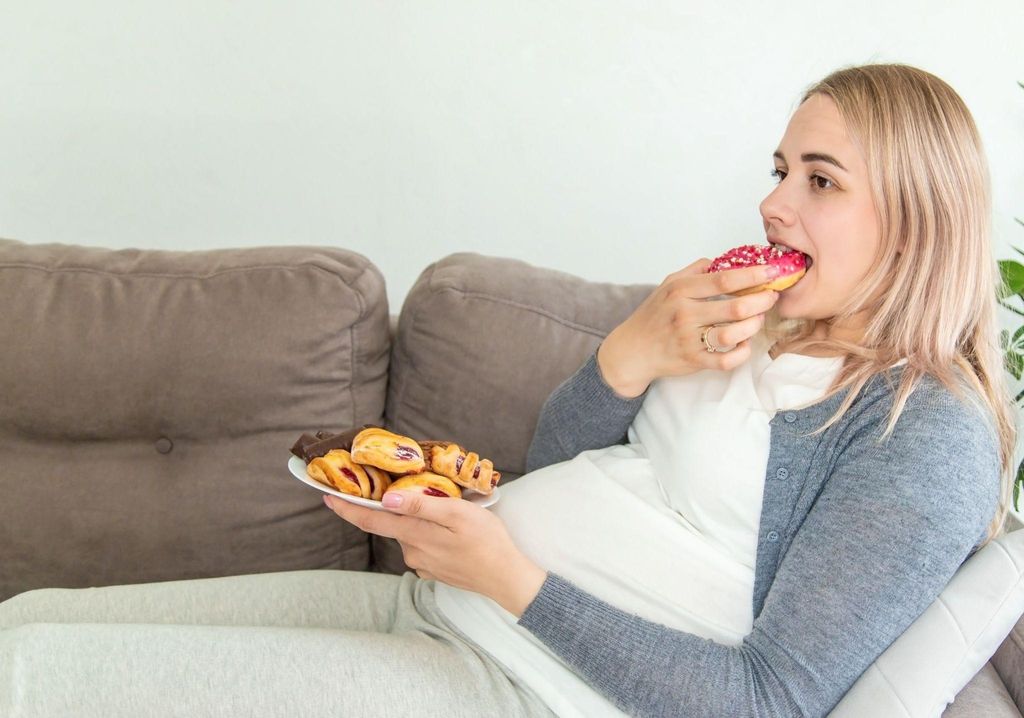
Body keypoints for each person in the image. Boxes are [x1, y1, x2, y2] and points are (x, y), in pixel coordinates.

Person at [0, 63, 1013, 718]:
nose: (772, 200)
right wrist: (625, 355)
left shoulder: (923, 432)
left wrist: (508, 578)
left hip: (522, 684)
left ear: (918, 221)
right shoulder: (751, 322)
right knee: (25, 622)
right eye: (780, 167)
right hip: (441, 610)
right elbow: (570, 464)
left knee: (31, 681)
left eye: (820, 181)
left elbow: (769, 700)